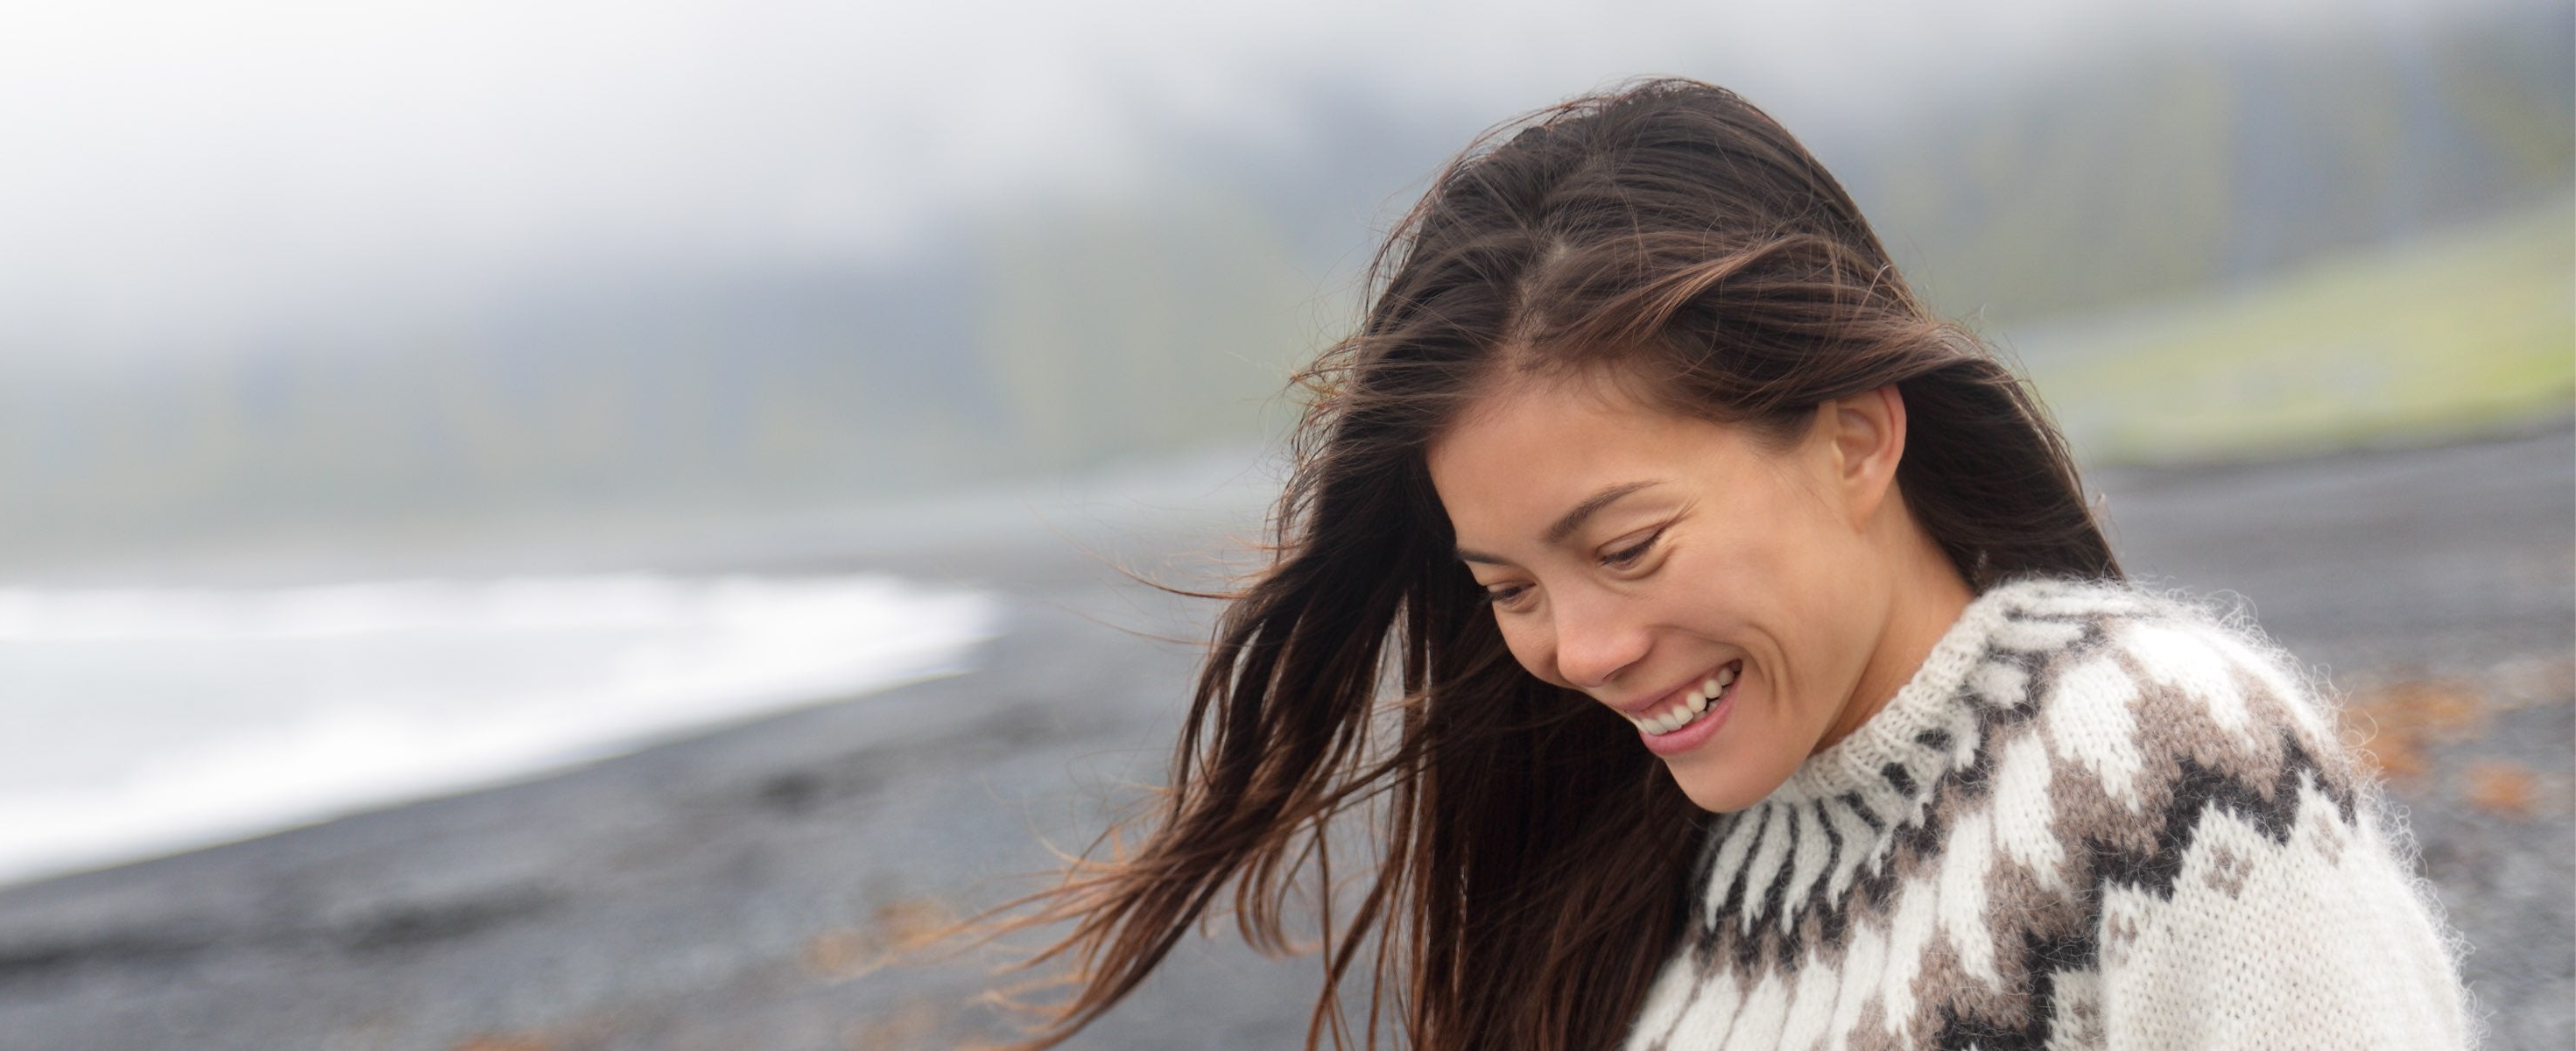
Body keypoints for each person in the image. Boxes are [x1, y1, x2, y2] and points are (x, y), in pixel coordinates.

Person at [981, 78, 2477, 1049]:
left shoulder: (2167, 772)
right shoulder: (1666, 855)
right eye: (1508, 588)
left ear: (1851, 440)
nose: (1578, 648)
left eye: (1625, 546)